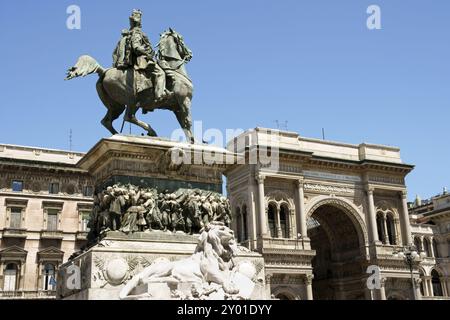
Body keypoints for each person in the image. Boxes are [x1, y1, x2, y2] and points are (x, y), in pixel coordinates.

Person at [128, 9, 168, 99]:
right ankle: (159, 94)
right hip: (141, 59)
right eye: (139, 20)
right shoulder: (137, 32)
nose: (140, 22)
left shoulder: (132, 32)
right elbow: (136, 46)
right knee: (160, 73)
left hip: (141, 57)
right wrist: (146, 52)